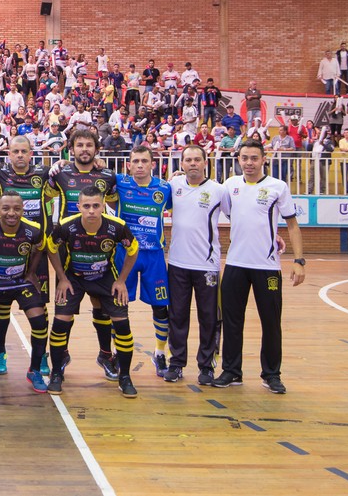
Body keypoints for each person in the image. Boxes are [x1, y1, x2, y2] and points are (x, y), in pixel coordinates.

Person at [215, 140, 305, 394]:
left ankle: (271, 374)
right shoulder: (230, 186)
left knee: (271, 321)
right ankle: (232, 371)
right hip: (235, 264)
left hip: (267, 267)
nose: (249, 163)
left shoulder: (278, 187)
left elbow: (292, 225)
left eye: (254, 158)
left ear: (264, 159)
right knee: (232, 321)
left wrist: (299, 261)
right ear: (238, 160)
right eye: (244, 158)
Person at [47, 187, 139, 397]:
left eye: (96, 206)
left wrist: (121, 280)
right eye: (86, 206)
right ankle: (56, 373)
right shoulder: (66, 226)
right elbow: (51, 248)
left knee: (122, 324)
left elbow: (133, 250)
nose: (91, 211)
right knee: (60, 320)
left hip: (105, 277)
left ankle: (124, 376)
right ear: (78, 207)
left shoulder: (117, 227)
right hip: (74, 277)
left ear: (103, 206)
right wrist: (61, 278)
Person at [47, 129, 119, 380]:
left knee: (102, 306)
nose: (85, 149)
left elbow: (122, 198)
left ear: (96, 149)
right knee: (65, 307)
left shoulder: (108, 175)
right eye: (80, 145)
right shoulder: (60, 173)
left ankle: (105, 354)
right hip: (69, 253)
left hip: (99, 250)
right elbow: (42, 194)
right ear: (71, 148)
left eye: (89, 145)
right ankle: (62, 354)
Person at [0, 193, 49, 394]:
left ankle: (35, 370)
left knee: (40, 322)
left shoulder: (34, 230)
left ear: (23, 210)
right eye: (6, 208)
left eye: (17, 209)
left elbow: (40, 249)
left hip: (20, 283)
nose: (11, 213)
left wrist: (31, 273)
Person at [164, 145, 227, 385]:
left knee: (209, 317)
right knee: (177, 316)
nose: (192, 163)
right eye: (188, 160)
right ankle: (176, 364)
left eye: (196, 159)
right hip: (178, 264)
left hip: (207, 266)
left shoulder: (219, 191)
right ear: (181, 164)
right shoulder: (174, 186)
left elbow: (240, 215)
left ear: (204, 162)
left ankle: (207, 366)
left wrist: (272, 235)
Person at [113, 146, 173, 377]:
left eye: (144, 161)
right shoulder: (120, 183)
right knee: (118, 306)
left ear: (152, 164)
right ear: (128, 164)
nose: (139, 165)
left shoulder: (165, 188)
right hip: (124, 253)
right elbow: (94, 172)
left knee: (160, 306)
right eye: (135, 161)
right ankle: (119, 351)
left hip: (154, 256)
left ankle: (160, 352)